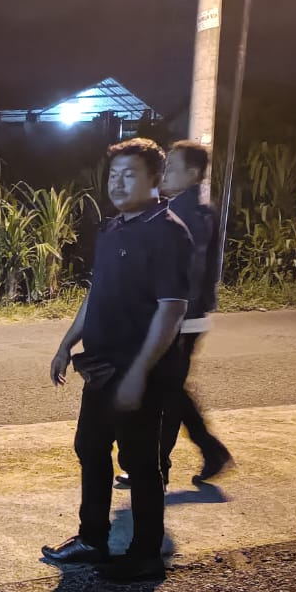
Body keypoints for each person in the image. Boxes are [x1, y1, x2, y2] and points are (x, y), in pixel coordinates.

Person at [40, 138, 193, 581]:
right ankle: (93, 540)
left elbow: (171, 309)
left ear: (156, 179)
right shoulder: (111, 230)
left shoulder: (168, 232)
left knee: (140, 462)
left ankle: (146, 555)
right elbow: (97, 293)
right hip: (101, 365)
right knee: (90, 448)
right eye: (114, 175)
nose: (118, 183)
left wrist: (139, 374)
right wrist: (66, 344)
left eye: (130, 174)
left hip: (138, 370)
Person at [116, 140, 233, 489]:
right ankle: (206, 453)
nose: (165, 173)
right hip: (187, 316)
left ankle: (160, 469)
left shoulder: (185, 215)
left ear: (193, 174)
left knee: (164, 393)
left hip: (180, 319)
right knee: (169, 390)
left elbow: (184, 273)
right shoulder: (198, 211)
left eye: (172, 167)